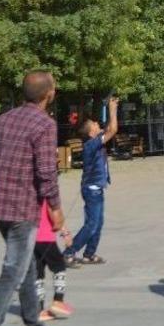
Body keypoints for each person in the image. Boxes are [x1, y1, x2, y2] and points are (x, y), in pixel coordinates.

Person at [0, 71, 62, 326]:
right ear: (48, 94)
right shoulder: (44, 125)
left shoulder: (4, 119)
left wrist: (7, 166)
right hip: (23, 209)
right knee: (12, 272)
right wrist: (56, 208)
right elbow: (46, 172)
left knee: (24, 268)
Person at [64, 97, 119, 267]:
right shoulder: (90, 145)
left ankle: (89, 254)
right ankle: (68, 253)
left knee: (98, 223)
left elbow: (110, 128)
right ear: (91, 133)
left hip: (97, 188)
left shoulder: (95, 139)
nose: (97, 124)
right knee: (91, 224)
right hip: (91, 189)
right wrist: (111, 110)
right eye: (95, 124)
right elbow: (113, 130)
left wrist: (113, 109)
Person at [34, 200, 74, 321]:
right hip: (45, 237)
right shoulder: (46, 189)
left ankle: (39, 310)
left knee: (37, 273)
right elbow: (52, 211)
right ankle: (58, 300)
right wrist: (65, 232)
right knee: (59, 266)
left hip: (30, 237)